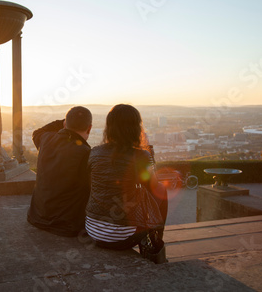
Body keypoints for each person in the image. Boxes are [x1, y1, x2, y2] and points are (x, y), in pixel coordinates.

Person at [85, 104, 168, 262]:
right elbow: (153, 187)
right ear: (135, 128)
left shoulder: (94, 152)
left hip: (92, 230)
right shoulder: (141, 156)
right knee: (162, 192)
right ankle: (156, 242)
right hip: (124, 236)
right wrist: (148, 153)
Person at [27, 106, 93, 237]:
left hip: (36, 218)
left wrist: (65, 122)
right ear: (89, 128)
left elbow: (38, 132)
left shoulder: (45, 139)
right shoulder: (86, 154)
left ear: (64, 124)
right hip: (67, 226)